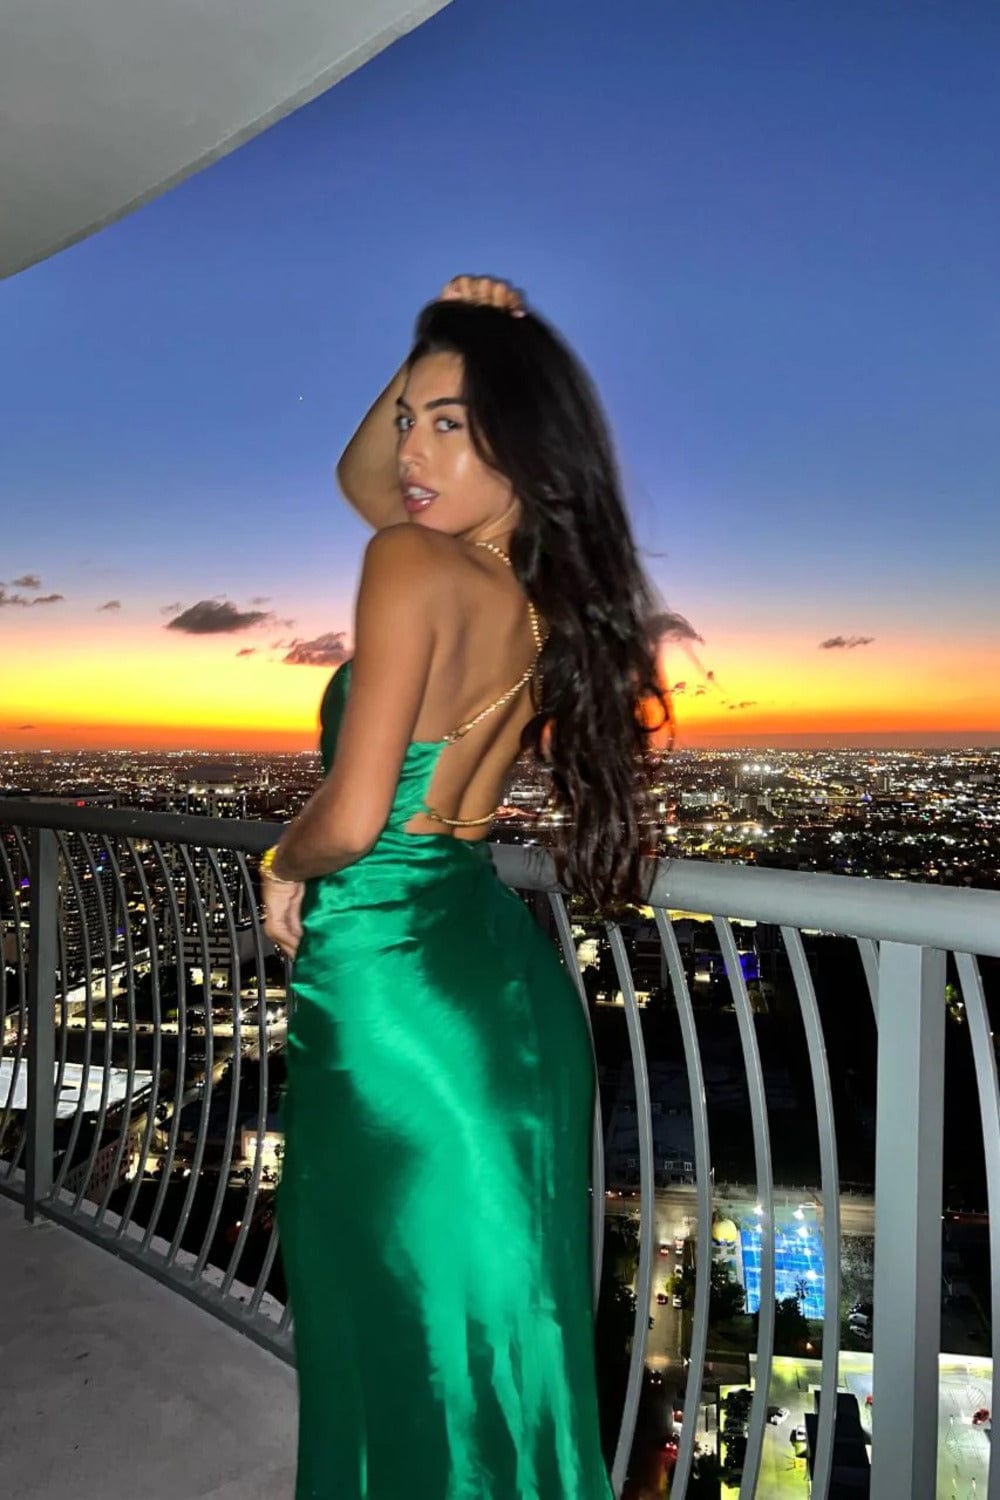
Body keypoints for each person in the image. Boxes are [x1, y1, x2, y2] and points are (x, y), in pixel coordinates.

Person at [261, 275, 667, 1500]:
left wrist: (281, 862)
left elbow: (354, 818)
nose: (410, 453)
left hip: (394, 987)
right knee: (492, 1332)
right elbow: (367, 478)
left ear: (524, 448)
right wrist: (440, 345)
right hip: (488, 981)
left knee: (398, 1317)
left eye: (451, 424)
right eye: (408, 420)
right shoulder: (538, 606)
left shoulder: (411, 563)